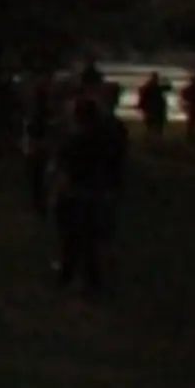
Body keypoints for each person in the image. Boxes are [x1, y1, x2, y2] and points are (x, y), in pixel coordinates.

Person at [52, 72, 129, 295]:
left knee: (72, 238)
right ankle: (90, 279)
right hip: (97, 192)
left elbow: (65, 170)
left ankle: (70, 275)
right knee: (92, 240)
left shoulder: (75, 144)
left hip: (77, 193)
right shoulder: (105, 138)